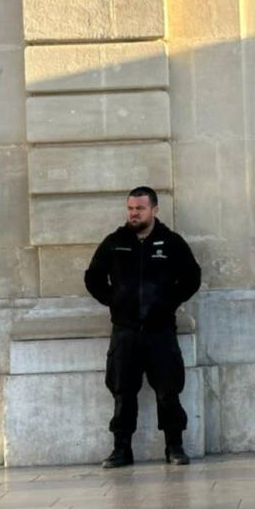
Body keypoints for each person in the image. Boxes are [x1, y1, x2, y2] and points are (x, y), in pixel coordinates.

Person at [85, 186, 201, 468]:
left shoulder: (171, 242)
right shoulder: (115, 242)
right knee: (123, 392)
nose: (134, 213)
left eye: (140, 208)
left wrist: (169, 302)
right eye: (130, 208)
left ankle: (174, 447)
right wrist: (114, 300)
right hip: (125, 332)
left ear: (154, 210)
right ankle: (121, 450)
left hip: (160, 331)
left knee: (168, 390)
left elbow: (192, 277)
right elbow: (93, 277)